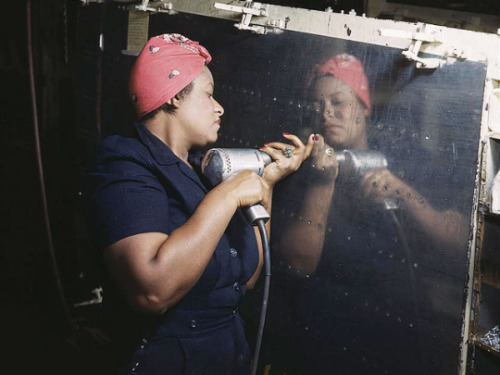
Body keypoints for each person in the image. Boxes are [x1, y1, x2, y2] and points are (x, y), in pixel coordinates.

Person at [85, 33, 314, 375]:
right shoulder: (125, 165)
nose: (219, 106)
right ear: (175, 97)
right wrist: (227, 195)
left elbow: (247, 278)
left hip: (226, 353)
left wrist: (266, 183)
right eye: (208, 94)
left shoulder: (197, 170)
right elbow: (151, 292)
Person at [264, 53, 470, 374]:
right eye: (317, 104)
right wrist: (322, 182)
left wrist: (403, 193)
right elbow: (298, 263)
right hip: (321, 334)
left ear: (364, 106)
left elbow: (460, 242)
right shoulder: (299, 169)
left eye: (338, 101)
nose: (326, 112)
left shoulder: (406, 157)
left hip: (396, 331)